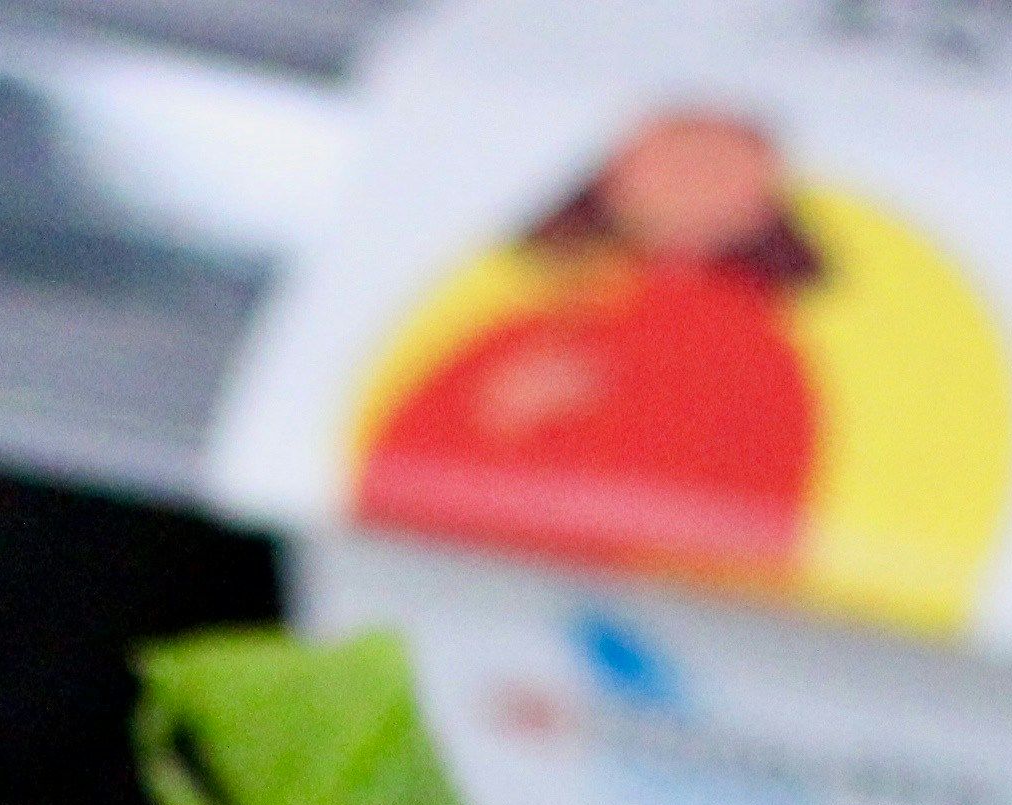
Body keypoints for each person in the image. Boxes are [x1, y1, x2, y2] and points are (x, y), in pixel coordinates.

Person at [351, 111, 829, 589]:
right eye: (671, 160)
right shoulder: (549, 324)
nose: (688, 180)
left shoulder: (756, 357)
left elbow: (746, 524)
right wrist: (494, 414)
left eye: (715, 166)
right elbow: (396, 472)